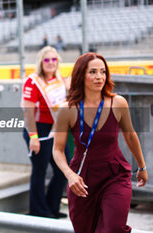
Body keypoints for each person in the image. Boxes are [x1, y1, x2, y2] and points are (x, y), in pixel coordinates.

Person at [52, 52, 148, 232]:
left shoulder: (118, 103)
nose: (99, 77)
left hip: (115, 174)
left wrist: (142, 167)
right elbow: (57, 150)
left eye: (103, 72)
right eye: (93, 72)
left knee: (113, 227)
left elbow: (130, 136)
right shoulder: (67, 109)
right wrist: (70, 175)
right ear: (81, 75)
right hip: (82, 179)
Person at [21, 46, 70, 218]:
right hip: (38, 129)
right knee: (39, 170)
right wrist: (33, 137)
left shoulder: (60, 80)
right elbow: (27, 112)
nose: (50, 63)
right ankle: (38, 211)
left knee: (62, 169)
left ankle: (52, 207)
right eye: (47, 60)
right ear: (41, 62)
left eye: (53, 59)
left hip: (57, 130)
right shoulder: (33, 81)